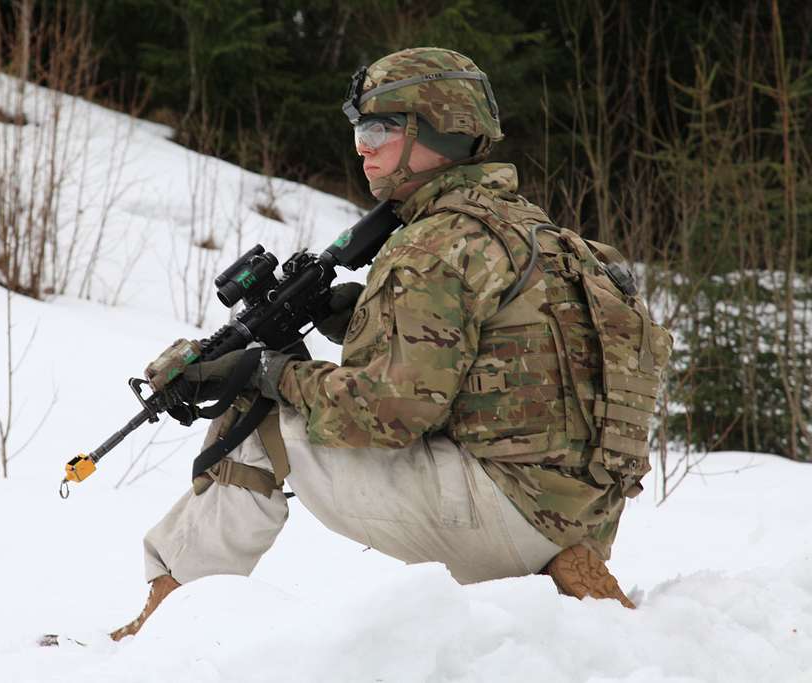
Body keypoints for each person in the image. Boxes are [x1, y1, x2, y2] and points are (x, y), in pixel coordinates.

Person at [107, 47, 672, 641]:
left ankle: (162, 631)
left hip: (505, 512)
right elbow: (504, 373)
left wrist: (266, 374)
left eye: (379, 127)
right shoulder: (539, 234)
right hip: (582, 517)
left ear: (438, 130)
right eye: (358, 128)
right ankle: (552, 559)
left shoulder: (430, 245)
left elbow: (389, 414)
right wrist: (359, 319)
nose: (361, 145)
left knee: (253, 427)